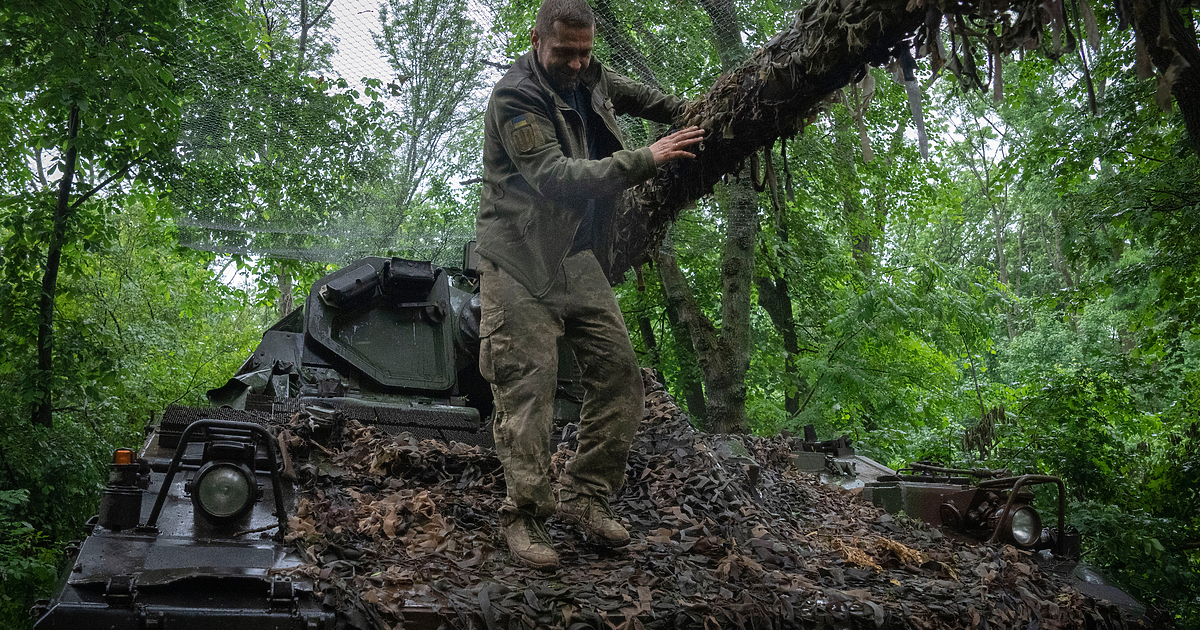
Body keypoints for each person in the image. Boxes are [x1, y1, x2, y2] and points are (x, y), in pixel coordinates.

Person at [475, 0, 704, 570]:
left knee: (621, 377)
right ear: (536, 39)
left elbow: (639, 97)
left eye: (585, 52)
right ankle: (524, 517)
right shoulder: (516, 97)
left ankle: (585, 497)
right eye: (565, 53)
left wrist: (694, 113)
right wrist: (647, 157)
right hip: (521, 260)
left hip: (576, 256)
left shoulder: (591, 72)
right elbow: (557, 178)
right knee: (531, 388)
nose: (577, 64)